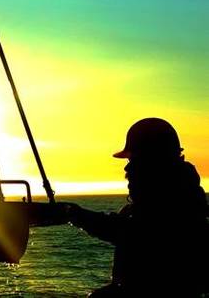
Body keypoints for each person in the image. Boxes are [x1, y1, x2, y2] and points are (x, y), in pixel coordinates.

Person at [58, 118, 208, 297]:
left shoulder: (179, 211)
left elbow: (136, 232)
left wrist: (71, 213)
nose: (127, 169)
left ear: (154, 163)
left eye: (133, 159)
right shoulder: (181, 202)